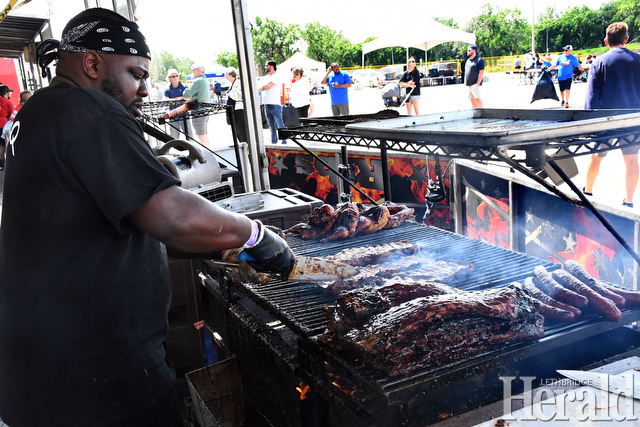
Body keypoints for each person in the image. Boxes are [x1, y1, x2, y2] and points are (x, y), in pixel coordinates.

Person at [0, 8, 295, 426]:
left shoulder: (38, 112)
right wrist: (256, 235)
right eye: (137, 75)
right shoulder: (87, 111)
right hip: (96, 386)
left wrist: (219, 242)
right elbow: (170, 216)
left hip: (44, 378)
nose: (143, 89)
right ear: (92, 63)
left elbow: (130, 220)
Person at [584, 22, 640, 208]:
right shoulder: (638, 60)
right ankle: (629, 201)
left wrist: (590, 125)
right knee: (632, 160)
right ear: (626, 39)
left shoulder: (599, 62)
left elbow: (592, 97)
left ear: (606, 41)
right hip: (632, 119)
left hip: (606, 121)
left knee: (596, 157)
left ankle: (588, 192)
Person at [183, 63, 211, 147]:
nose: (192, 72)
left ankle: (208, 156)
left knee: (202, 137)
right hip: (204, 111)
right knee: (204, 136)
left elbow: (186, 94)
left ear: (197, 70)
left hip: (198, 112)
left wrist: (187, 91)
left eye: (193, 70)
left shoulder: (198, 81)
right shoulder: (205, 80)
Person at [258, 60, 286, 144]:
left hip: (275, 105)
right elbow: (260, 87)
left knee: (280, 125)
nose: (266, 67)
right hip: (266, 105)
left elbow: (267, 86)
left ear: (272, 67)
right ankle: (274, 141)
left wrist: (264, 87)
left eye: (267, 66)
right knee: (271, 125)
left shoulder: (277, 76)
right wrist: (264, 87)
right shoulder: (266, 77)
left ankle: (283, 141)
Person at [225, 66, 248, 142]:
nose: (225, 76)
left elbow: (237, 96)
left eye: (226, 74)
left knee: (241, 131)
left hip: (239, 110)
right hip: (234, 110)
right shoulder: (233, 84)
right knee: (238, 131)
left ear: (230, 74)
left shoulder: (237, 83)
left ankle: (246, 146)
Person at [163, 68, 187, 139]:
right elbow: (165, 100)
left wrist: (172, 100)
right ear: (169, 78)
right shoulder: (167, 88)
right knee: (174, 138)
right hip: (173, 115)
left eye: (177, 76)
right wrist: (179, 98)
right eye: (173, 76)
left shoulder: (184, 86)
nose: (176, 77)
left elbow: (188, 97)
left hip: (185, 114)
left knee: (190, 136)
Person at [0, 85, 13, 170]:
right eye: (9, 92)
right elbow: (13, 113)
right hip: (3, 125)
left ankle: (1, 163)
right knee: (7, 144)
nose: (10, 94)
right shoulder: (7, 102)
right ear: (5, 93)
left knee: (0, 145)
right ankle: (8, 163)